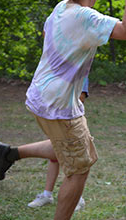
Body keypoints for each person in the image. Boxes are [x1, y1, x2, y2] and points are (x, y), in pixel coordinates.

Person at [0, 0, 126, 220]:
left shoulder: (62, 7)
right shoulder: (86, 18)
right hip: (59, 104)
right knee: (80, 166)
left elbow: (49, 34)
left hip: (42, 96)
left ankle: (9, 153)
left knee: (76, 147)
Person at [28, 78, 88, 210]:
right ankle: (47, 194)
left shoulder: (77, 69)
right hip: (54, 116)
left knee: (72, 158)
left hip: (68, 120)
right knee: (54, 156)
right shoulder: (56, 70)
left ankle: (77, 197)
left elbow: (80, 97)